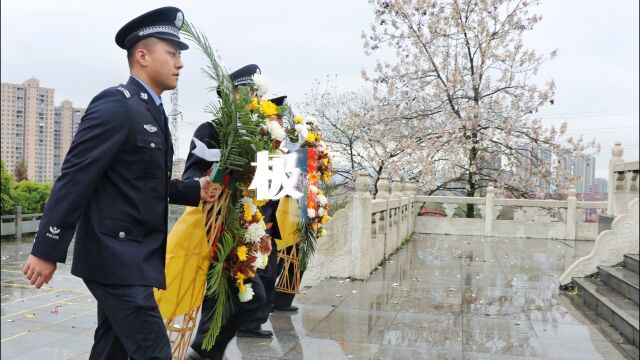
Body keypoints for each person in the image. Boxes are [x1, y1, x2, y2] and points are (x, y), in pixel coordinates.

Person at [22, 7, 216, 360]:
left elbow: (143, 182)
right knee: (154, 352)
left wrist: (193, 190)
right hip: (116, 258)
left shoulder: (152, 111)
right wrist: (46, 249)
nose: (180, 63)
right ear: (142, 56)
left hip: (135, 258)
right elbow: (76, 177)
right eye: (172, 53)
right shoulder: (116, 104)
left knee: (111, 349)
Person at [184, 64, 270, 360]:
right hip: (212, 228)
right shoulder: (209, 131)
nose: (250, 101)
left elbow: (263, 191)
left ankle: (205, 352)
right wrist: (222, 170)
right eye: (245, 94)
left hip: (242, 229)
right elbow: (189, 180)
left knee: (253, 299)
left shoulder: (256, 137)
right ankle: (203, 352)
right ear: (228, 96)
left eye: (254, 96)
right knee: (221, 299)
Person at [237, 95, 290, 338]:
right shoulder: (260, 147)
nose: (282, 124)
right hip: (258, 221)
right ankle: (249, 322)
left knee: (270, 271)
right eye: (277, 119)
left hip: (272, 221)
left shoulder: (277, 150)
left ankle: (257, 319)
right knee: (260, 272)